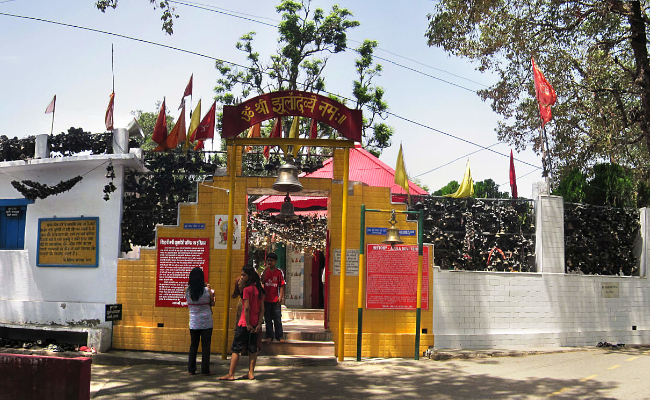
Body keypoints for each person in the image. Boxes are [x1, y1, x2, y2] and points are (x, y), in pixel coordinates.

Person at [220, 265, 265, 381]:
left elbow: (246, 308)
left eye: (244, 275)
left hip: (244, 323)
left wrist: (248, 324)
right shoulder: (259, 290)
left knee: (236, 348)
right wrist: (259, 324)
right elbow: (262, 309)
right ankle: (251, 373)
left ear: (249, 276)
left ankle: (231, 374)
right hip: (255, 324)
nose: (242, 277)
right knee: (252, 349)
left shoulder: (247, 290)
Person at [185, 267, 215, 375]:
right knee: (206, 345)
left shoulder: (187, 290)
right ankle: (205, 370)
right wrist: (211, 290)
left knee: (193, 345)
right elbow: (212, 303)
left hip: (193, 321)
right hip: (206, 321)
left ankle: (191, 369)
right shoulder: (207, 291)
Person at [261, 252, 286, 343]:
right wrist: (265, 271)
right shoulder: (265, 272)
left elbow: (282, 285)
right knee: (267, 318)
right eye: (268, 260)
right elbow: (262, 281)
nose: (269, 262)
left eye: (271, 260)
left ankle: (279, 336)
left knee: (277, 318)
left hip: (275, 299)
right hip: (266, 299)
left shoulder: (279, 272)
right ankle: (269, 336)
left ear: (275, 261)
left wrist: (280, 297)